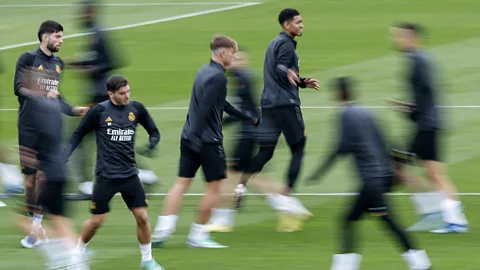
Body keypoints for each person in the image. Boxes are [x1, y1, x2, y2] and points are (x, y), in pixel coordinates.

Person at [306, 77, 432, 270]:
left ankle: (420, 263)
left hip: (371, 181)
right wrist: (399, 166)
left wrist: (320, 171)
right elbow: (387, 142)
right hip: (381, 178)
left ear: (337, 94)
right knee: (352, 219)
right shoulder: (367, 114)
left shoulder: (344, 116)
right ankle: (418, 262)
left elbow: (342, 147)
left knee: (384, 222)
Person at [151, 35, 258, 249]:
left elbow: (220, 103)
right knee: (214, 189)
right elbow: (206, 107)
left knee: (181, 184)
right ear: (224, 52)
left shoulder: (203, 71)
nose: (235, 57)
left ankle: (162, 232)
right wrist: (200, 138)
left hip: (188, 136)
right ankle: (197, 236)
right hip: (207, 141)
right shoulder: (220, 78)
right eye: (233, 53)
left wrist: (245, 116)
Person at [64, 75, 164, 270]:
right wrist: (65, 155)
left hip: (129, 175)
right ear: (111, 94)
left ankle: (147, 260)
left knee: (142, 217)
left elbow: (154, 131)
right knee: (96, 221)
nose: (127, 96)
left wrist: (152, 144)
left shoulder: (137, 109)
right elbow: (78, 134)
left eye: (128, 92)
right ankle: (77, 253)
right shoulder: (99, 111)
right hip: (105, 176)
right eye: (122, 93)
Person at [13, 20, 90, 269]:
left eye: (61, 37)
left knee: (46, 178)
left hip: (50, 129)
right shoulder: (27, 59)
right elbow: (19, 89)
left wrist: (73, 109)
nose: (61, 40)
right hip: (29, 128)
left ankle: (36, 230)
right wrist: (41, 93)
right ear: (45, 37)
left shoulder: (57, 64)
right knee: (29, 180)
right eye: (57, 36)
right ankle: (36, 224)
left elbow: (58, 96)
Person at [235, 8, 319, 231]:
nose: (302, 25)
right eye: (298, 22)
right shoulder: (286, 44)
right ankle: (287, 198)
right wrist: (288, 73)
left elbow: (278, 69)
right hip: (287, 106)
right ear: (286, 25)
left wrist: (301, 81)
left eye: (302, 21)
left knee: (266, 151)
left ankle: (241, 185)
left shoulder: (275, 43)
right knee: (299, 148)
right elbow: (281, 66)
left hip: (270, 105)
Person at [389, 22, 468, 233]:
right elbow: (427, 94)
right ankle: (455, 220)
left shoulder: (417, 60)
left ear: (411, 38)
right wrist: (409, 107)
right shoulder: (422, 58)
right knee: (435, 174)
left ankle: (433, 213)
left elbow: (425, 92)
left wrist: (412, 110)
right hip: (430, 123)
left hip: (426, 126)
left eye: (399, 36)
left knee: (398, 165)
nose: (395, 40)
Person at [206, 49, 260, 232]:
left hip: (248, 133)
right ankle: (288, 206)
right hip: (250, 131)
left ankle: (222, 221)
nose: (234, 61)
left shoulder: (241, 77)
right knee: (247, 173)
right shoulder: (241, 77)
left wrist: (221, 122)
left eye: (238, 58)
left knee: (230, 174)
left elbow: (245, 110)